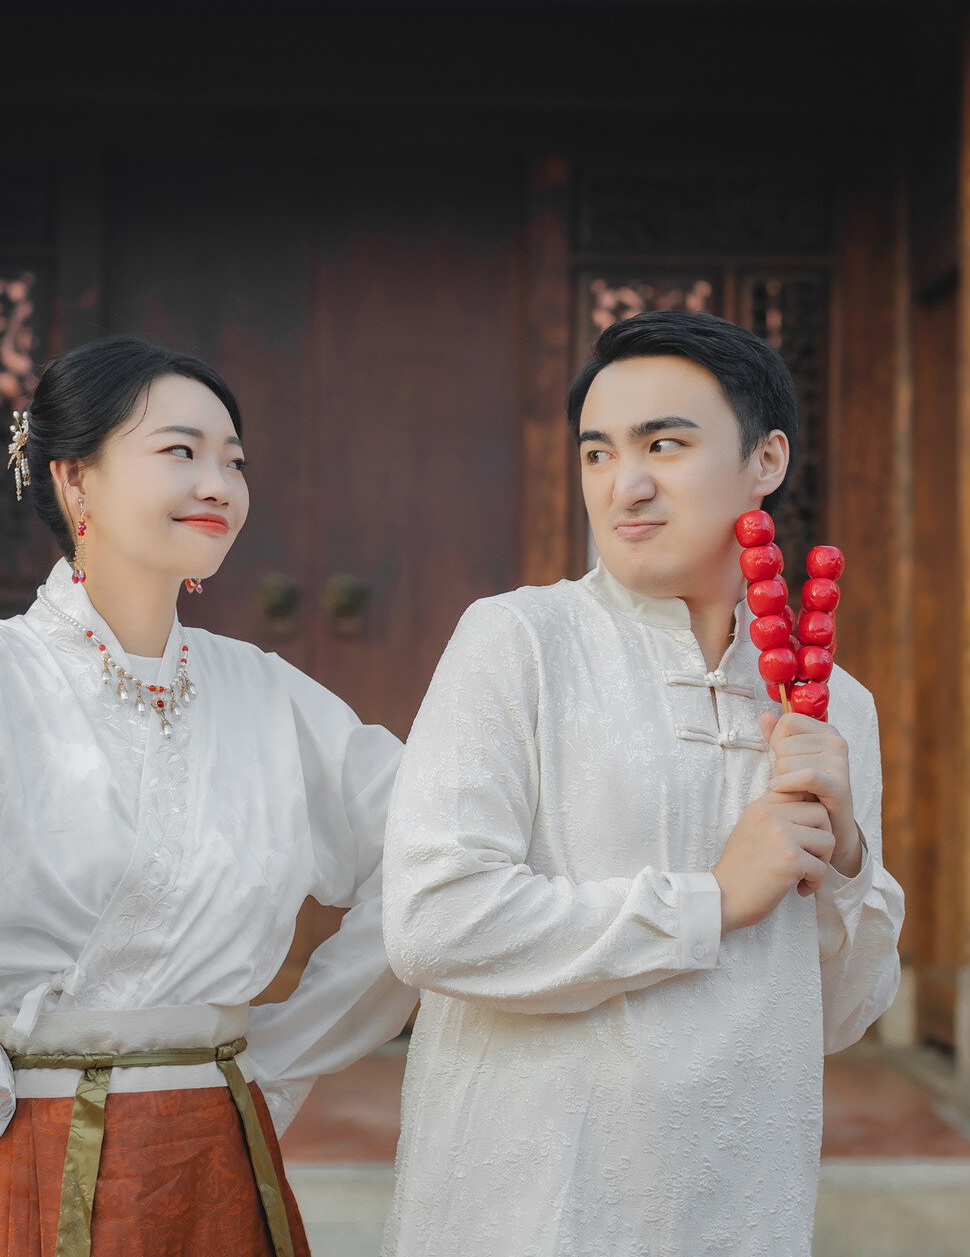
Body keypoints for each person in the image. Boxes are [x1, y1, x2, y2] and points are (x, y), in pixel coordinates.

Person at [0, 335, 417, 1257]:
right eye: (180, 450)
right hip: (21, 1157)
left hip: (217, 1160)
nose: (219, 484)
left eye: (234, 461)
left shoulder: (268, 693)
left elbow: (428, 854)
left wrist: (287, 1054)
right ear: (75, 480)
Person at [380, 310, 904, 1256]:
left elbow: (837, 1016)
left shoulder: (832, 708)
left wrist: (847, 855)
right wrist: (711, 900)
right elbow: (432, 921)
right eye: (598, 453)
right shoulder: (520, 642)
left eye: (664, 444)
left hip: (741, 1202)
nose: (625, 484)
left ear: (766, 459)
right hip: (538, 1204)